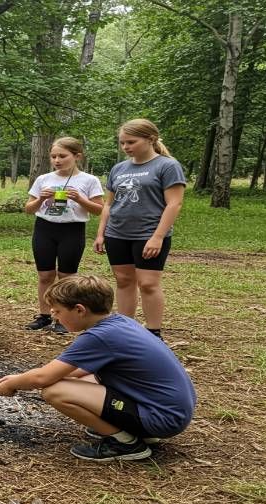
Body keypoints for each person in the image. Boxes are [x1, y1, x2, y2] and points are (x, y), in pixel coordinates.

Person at [0, 275, 196, 462]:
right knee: (73, 380)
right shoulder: (120, 322)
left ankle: (124, 443)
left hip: (161, 417)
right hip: (167, 409)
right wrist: (24, 377)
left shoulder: (100, 337)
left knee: (55, 391)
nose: (53, 316)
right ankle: (127, 428)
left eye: (57, 311)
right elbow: (73, 372)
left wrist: (12, 384)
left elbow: (42, 378)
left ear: (79, 310)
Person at [94, 119, 186, 340]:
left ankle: (153, 333)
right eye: (122, 143)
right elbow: (109, 204)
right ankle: (126, 329)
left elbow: (174, 204)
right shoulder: (119, 168)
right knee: (124, 281)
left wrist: (158, 237)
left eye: (131, 142)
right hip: (117, 234)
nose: (126, 147)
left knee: (148, 284)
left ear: (150, 139)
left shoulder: (167, 166)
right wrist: (100, 233)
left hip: (148, 234)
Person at [25, 137, 103, 335]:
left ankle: (64, 317)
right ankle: (44, 315)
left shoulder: (89, 180)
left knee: (67, 277)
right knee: (45, 275)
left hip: (72, 230)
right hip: (44, 228)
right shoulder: (44, 179)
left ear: (77, 156)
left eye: (62, 156)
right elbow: (29, 209)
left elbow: (99, 210)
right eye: (53, 156)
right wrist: (41, 198)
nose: (57, 160)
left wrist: (80, 199)